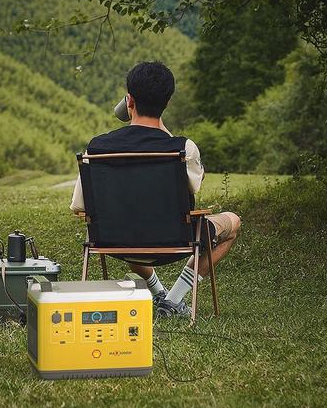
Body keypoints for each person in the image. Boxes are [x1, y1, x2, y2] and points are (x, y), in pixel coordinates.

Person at [70, 61, 241, 317]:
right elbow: (196, 183)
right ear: (167, 103)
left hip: (114, 239)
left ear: (129, 101)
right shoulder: (182, 148)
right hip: (175, 239)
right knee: (233, 222)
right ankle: (173, 299)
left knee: (131, 221)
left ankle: (160, 294)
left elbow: (79, 207)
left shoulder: (96, 148)